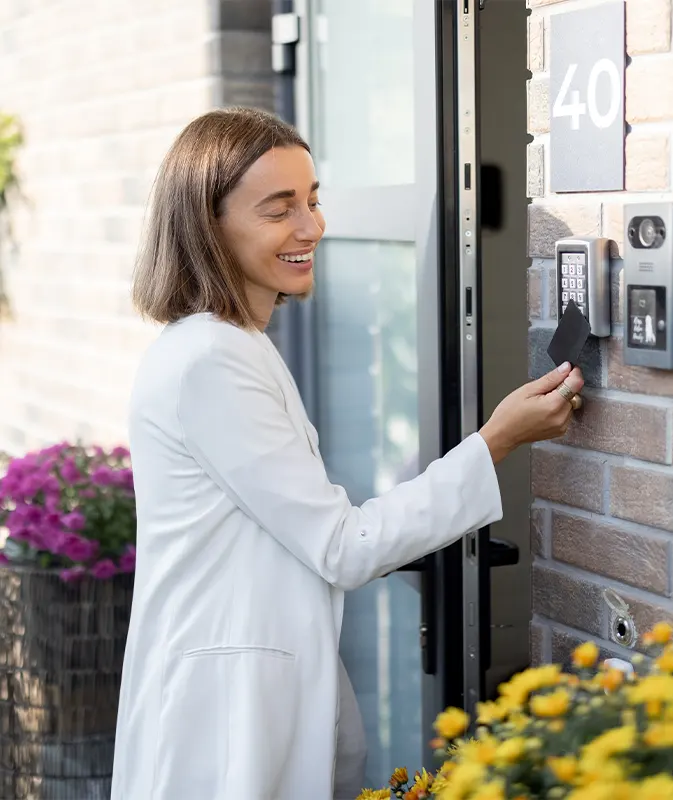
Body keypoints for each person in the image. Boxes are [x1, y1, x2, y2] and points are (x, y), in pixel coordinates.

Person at [110, 107, 584, 800]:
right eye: (279, 209)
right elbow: (343, 545)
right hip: (223, 721)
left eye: (312, 200)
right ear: (208, 226)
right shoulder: (210, 361)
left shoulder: (232, 347)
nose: (310, 227)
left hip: (247, 694)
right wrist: (498, 438)